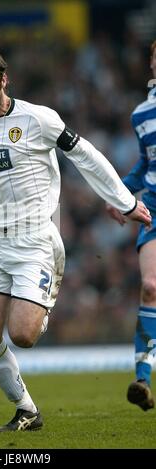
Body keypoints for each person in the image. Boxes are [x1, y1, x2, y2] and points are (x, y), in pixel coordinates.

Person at [0, 46, 151, 431]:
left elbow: (88, 157)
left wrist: (126, 201)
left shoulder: (38, 119)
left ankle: (40, 299)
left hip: (34, 240)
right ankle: (26, 410)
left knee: (23, 335)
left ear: (4, 79)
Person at [106, 40, 156, 411]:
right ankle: (143, 380)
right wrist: (118, 193)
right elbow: (145, 165)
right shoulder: (141, 114)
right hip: (153, 206)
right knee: (151, 287)